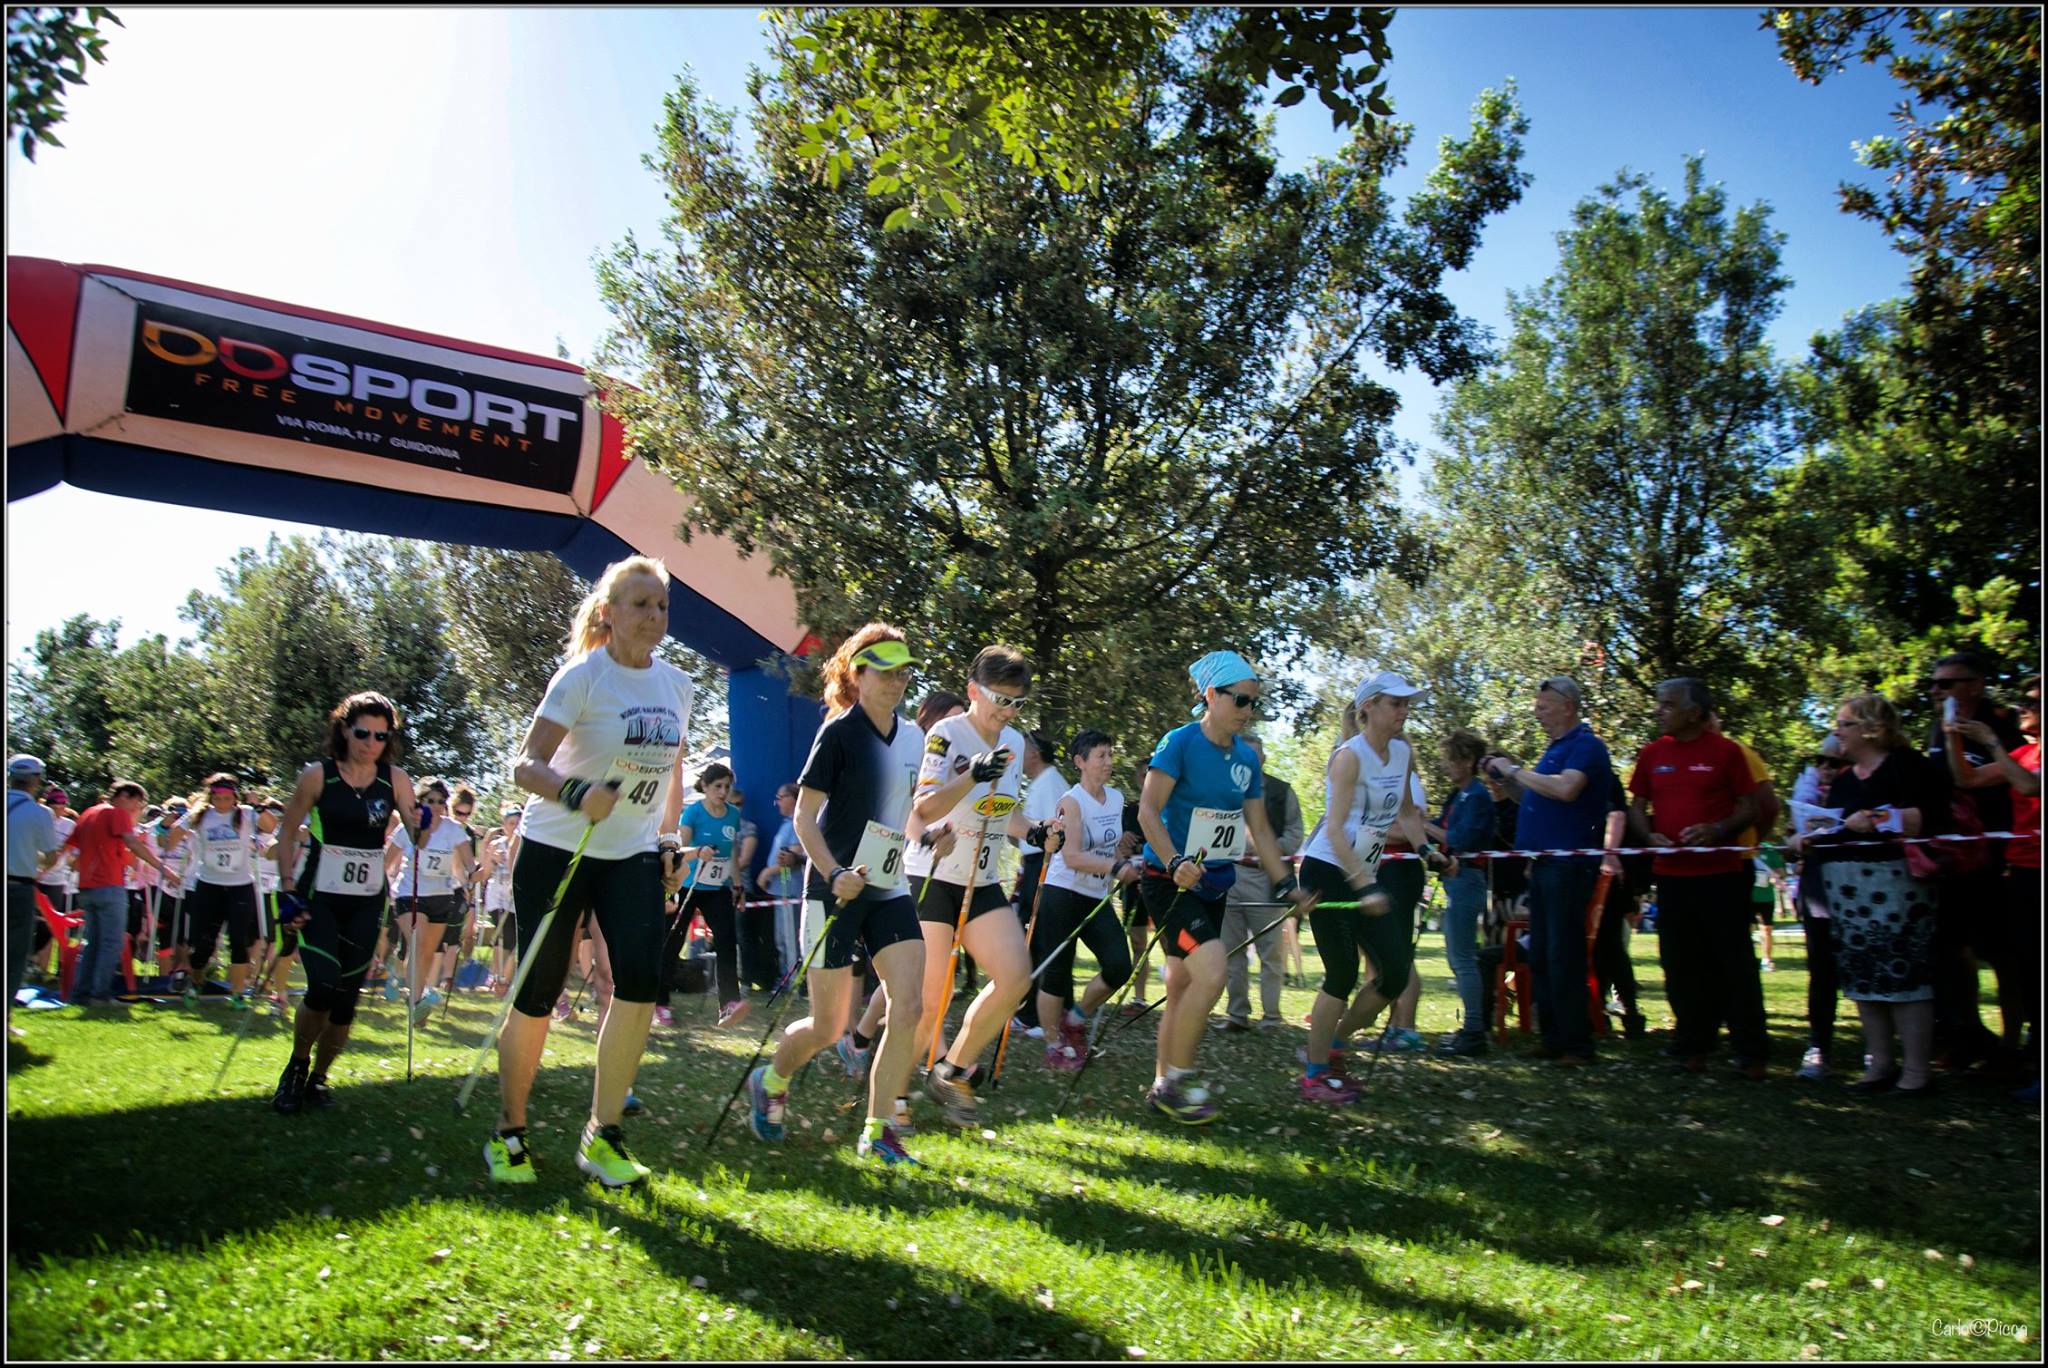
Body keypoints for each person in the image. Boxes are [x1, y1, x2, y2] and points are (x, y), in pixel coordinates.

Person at [483, 555, 693, 1187]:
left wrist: (665, 840)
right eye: (639, 604)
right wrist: (575, 793)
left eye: (660, 606)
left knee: (636, 982)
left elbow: (669, 778)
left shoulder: (678, 686)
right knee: (540, 992)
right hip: (558, 851)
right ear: (609, 613)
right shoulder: (582, 678)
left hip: (629, 855)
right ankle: (510, 1131)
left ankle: (603, 1135)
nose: (652, 617)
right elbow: (525, 767)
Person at [744, 626, 937, 1165]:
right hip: (834, 889)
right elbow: (805, 818)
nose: (898, 682)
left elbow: (904, 810)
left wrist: (928, 830)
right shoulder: (838, 733)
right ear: (858, 674)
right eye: (887, 671)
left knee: (911, 1004)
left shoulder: (913, 738)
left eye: (904, 672)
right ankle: (773, 1079)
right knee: (830, 1027)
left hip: (888, 885)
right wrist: (833, 873)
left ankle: (877, 1133)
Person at [1137, 651, 1315, 1122]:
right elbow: (1147, 811)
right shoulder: (1179, 742)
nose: (1247, 709)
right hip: (1168, 883)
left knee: (1181, 985)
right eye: (1239, 699)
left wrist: (1287, 885)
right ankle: (1179, 1078)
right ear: (1210, 696)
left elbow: (1259, 829)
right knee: (1213, 970)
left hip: (1214, 884)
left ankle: (1161, 1085)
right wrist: (1174, 861)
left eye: (1253, 702)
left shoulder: (1245, 760)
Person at [904, 644, 1061, 1129]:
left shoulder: (1012, 742)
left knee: (1016, 977)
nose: (1008, 710)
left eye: (1017, 702)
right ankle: (891, 1096)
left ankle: (949, 1072)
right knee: (929, 1002)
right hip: (933, 875)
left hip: (983, 877)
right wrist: (974, 774)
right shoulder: (946, 735)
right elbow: (923, 808)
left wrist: (1033, 830)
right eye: (1001, 698)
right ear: (974, 691)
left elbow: (1007, 811)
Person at [1297, 672, 1453, 1101]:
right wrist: (1364, 884)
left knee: (1396, 970)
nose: (1404, 711)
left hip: (1364, 872)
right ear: (1367, 708)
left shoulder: (1401, 752)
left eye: (1406, 705)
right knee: (1343, 973)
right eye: (1395, 704)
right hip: (1327, 872)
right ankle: (1314, 1074)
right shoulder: (1349, 757)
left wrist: (1426, 852)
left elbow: (1405, 812)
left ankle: (1333, 1043)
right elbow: (1332, 831)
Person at [1790, 692, 1951, 1097]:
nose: (1837, 734)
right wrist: (1811, 837)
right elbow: (1840, 826)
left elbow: (1934, 818)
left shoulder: (1909, 767)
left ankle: (1916, 1071)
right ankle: (1879, 1064)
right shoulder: (1844, 781)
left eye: (1843, 724)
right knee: (1863, 976)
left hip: (1899, 890)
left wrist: (1878, 818)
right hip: (1848, 894)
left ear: (1870, 728)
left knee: (1905, 977)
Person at [270, 692, 423, 1114]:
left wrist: (421, 823)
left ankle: (319, 1080)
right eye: (362, 732)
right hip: (318, 895)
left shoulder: (396, 779)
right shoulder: (318, 776)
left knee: (346, 997)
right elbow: (285, 833)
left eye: (380, 735)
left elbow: (417, 836)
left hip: (366, 902)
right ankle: (297, 1067)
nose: (371, 741)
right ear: (343, 729)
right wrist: (286, 887)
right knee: (322, 984)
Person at [1628, 678, 1768, 1078]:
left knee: (1733, 962)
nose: (1659, 711)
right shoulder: (1652, 753)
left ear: (1694, 712)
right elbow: (1637, 805)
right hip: (1672, 876)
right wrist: (1648, 833)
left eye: (1667, 705)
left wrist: (1717, 829)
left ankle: (1750, 1051)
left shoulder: (1728, 752)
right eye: (1659, 704)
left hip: (1722, 874)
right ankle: (1691, 1045)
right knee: (1679, 963)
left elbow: (1751, 809)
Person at [1483, 675, 1615, 1066]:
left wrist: (1515, 768)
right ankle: (1554, 1037)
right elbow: (1534, 797)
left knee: (1564, 952)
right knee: (1541, 953)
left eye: (1544, 705)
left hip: (1568, 864)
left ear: (1568, 706)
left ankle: (1578, 1043)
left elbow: (1565, 790)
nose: (1537, 711)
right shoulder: (1554, 750)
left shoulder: (1586, 747)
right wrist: (1506, 781)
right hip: (1541, 866)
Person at [1925, 651, 2025, 1069]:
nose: (1936, 691)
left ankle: (2013, 1041)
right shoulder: (1939, 727)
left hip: (2000, 857)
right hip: (1952, 859)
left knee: (2005, 952)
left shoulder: (2003, 725)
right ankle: (1967, 1033)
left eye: (1947, 683)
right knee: (1950, 948)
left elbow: (2021, 784)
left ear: (1976, 685)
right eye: (1933, 683)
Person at [1948, 673, 2041, 1068]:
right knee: (2029, 967)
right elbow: (1965, 778)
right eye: (2023, 700)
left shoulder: (2017, 758)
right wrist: (1952, 735)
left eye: (2034, 702)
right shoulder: (2022, 753)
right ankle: (2032, 1058)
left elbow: (2029, 787)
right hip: (2021, 872)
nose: (2024, 706)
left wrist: (1990, 743)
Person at [1032, 729, 1138, 1069]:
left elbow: (1112, 842)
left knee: (1120, 964)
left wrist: (1126, 850)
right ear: (1080, 762)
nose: (1108, 762)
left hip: (1096, 895)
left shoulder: (1118, 798)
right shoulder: (1071, 802)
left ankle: (1075, 1021)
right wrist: (1115, 865)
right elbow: (1074, 856)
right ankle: (1053, 1045)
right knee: (1057, 975)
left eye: (1110, 754)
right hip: (1062, 894)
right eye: (1100, 756)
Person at [1216, 734, 1302, 1033]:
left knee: (1270, 952)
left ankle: (1271, 1017)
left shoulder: (1281, 791)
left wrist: (1267, 847)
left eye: (1255, 755)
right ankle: (1237, 1014)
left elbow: (1295, 834)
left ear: (1263, 758)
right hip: (1228, 876)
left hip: (1268, 878)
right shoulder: (1223, 789)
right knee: (1231, 951)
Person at [1427, 730, 1497, 1056]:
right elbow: (1443, 827)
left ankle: (1474, 1030)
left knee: (1464, 958)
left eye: (1452, 760)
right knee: (1457, 959)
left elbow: (1459, 837)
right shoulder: (1458, 795)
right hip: (1455, 879)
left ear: (1468, 761)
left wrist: (1420, 825)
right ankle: (1471, 1026)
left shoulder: (1478, 796)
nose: (1447, 767)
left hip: (1468, 880)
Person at [387, 777, 475, 1024]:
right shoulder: (408, 827)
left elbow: (469, 861)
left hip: (440, 897)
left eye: (440, 801)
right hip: (409, 895)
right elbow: (387, 861)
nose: (436, 806)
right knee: (417, 943)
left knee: (426, 952)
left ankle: (415, 991)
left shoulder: (452, 829)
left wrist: (473, 870)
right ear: (420, 802)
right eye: (430, 801)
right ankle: (417, 1002)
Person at [175, 774, 266, 1010]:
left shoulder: (245, 813)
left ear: (235, 798)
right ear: (211, 797)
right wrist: (180, 826)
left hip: (240, 886)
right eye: (218, 798)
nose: (223, 803)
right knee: (204, 943)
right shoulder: (202, 815)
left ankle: (237, 993)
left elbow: (271, 824)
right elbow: (170, 835)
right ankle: (195, 983)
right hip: (209, 885)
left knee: (238, 940)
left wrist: (258, 805)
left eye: (227, 798)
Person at [673, 762, 745, 1028]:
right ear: (705, 786)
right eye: (718, 786)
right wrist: (699, 850)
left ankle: (729, 1004)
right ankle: (658, 1001)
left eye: (727, 787)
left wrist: (738, 886)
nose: (723, 791)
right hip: (689, 885)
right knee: (673, 940)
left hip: (717, 888)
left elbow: (733, 851)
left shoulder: (733, 815)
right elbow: (680, 847)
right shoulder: (692, 812)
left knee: (726, 941)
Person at [1012, 731, 1065, 1036]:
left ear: (1035, 753)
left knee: (1037, 938)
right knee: (1032, 938)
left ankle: (1034, 1015)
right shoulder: (1042, 783)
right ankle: (1032, 1011)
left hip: (1044, 867)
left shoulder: (1050, 783)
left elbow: (1048, 834)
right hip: (1033, 866)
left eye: (1024, 747)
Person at [8, 755, 66, 1030]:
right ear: (36, 781)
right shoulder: (39, 813)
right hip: (18, 887)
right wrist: (34, 860)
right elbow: (51, 857)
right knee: (14, 956)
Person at [757, 783, 804, 987]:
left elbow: (792, 855)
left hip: (790, 889)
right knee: (782, 938)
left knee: (791, 939)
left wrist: (768, 872)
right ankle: (787, 976)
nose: (777, 802)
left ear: (794, 799)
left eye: (781, 797)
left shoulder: (798, 823)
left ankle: (794, 980)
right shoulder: (787, 823)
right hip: (780, 891)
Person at [478, 803, 522, 993]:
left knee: (513, 939)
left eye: (518, 823)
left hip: (516, 899)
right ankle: (495, 976)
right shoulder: (497, 844)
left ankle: (504, 977)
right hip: (498, 897)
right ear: (504, 825)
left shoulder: (525, 846)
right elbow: (485, 871)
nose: (514, 826)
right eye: (511, 823)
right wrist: (493, 860)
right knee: (502, 934)